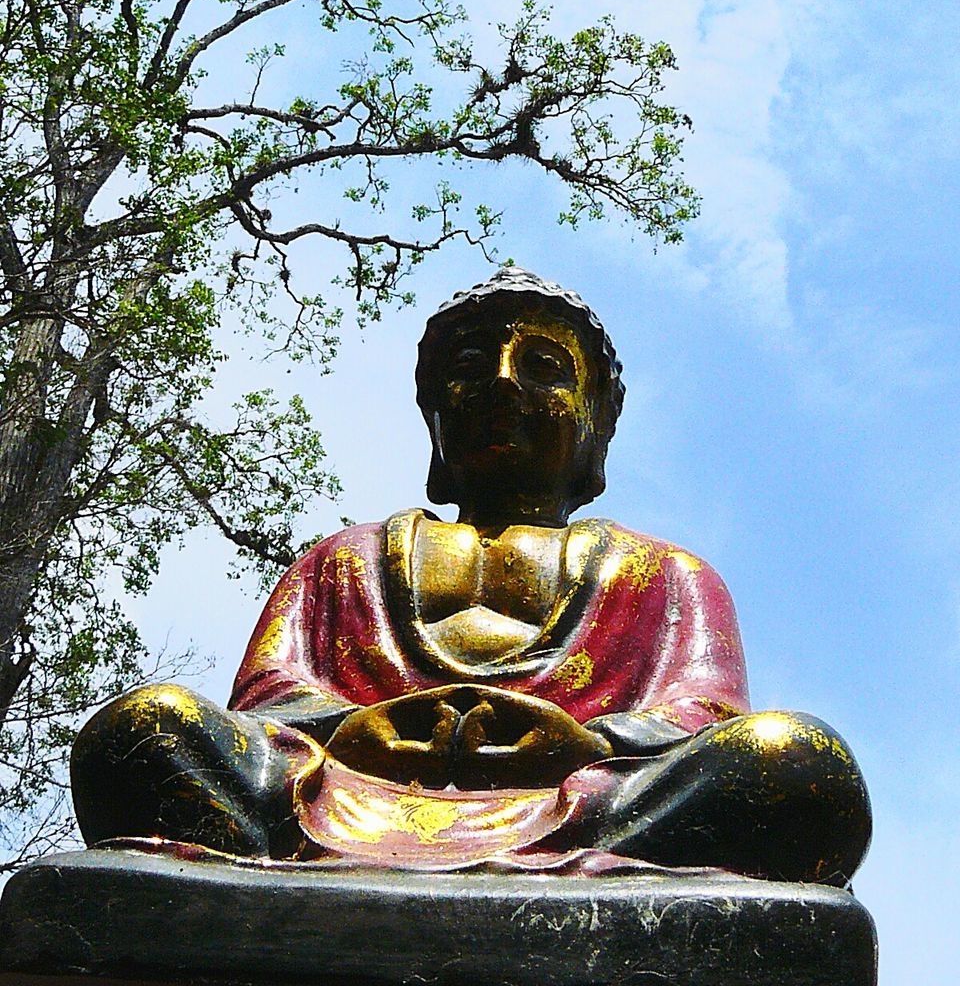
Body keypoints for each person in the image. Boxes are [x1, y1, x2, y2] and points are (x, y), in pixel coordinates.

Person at [72, 268, 871, 883]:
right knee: (146, 728)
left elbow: (700, 713)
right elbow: (271, 702)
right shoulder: (344, 559)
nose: (501, 382)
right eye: (470, 363)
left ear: (596, 426)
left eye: (546, 367)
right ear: (434, 418)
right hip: (341, 796)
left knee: (793, 760)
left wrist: (581, 743)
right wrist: (359, 732)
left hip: (585, 804)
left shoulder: (663, 574)